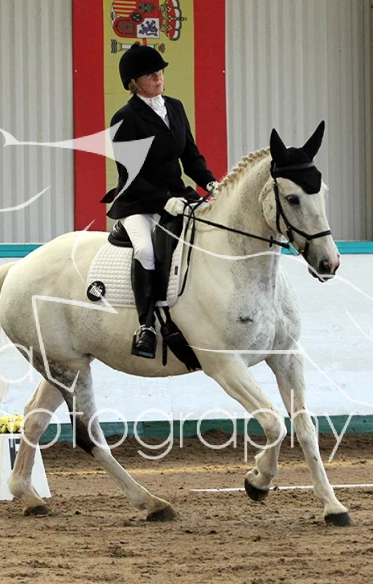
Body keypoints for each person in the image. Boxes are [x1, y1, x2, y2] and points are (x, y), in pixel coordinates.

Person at [103, 44, 218, 360]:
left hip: (178, 194)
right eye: (150, 74)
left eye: (160, 71)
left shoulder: (175, 107)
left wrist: (209, 181)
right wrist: (164, 201)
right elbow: (130, 175)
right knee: (145, 249)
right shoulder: (124, 119)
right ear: (133, 82)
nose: (158, 77)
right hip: (139, 201)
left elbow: (190, 155)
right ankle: (146, 327)